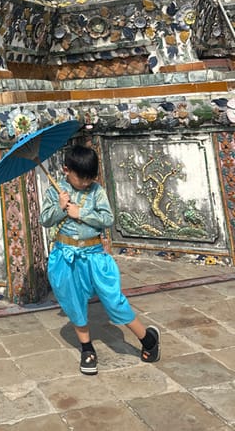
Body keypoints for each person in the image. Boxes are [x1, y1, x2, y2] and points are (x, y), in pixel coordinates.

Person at [40, 144, 160, 375]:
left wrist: (80, 212)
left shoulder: (96, 191)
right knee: (73, 302)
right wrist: (60, 207)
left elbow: (107, 218)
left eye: (89, 178)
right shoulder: (56, 192)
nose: (85, 183)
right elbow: (45, 219)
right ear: (66, 170)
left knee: (114, 300)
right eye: (80, 177)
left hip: (94, 256)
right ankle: (87, 348)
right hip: (65, 255)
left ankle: (148, 339)